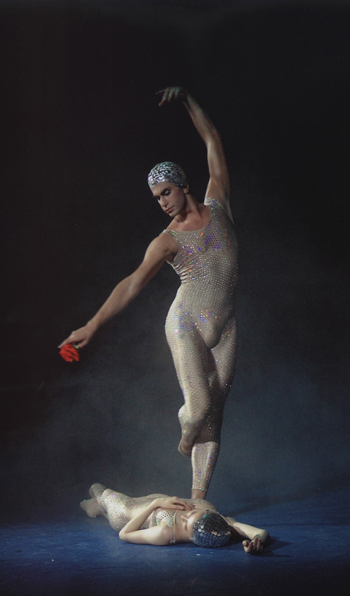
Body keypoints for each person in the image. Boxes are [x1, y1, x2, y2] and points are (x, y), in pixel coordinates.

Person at [59, 87, 238, 500]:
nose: (161, 202)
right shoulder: (166, 241)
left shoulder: (220, 204)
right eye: (156, 198)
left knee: (214, 417)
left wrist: (188, 100)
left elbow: (213, 140)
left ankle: (197, 498)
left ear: (183, 184)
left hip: (226, 328)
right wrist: (92, 323)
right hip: (186, 323)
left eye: (166, 192)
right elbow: (132, 283)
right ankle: (184, 430)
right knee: (197, 411)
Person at [81, 483, 269, 552]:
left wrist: (157, 504)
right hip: (159, 499)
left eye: (186, 524)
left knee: (100, 490)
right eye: (192, 513)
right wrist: (257, 542)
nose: (185, 516)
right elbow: (260, 532)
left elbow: (124, 534)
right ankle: (96, 506)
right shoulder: (221, 523)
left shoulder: (165, 533)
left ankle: (96, 505)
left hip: (131, 513)